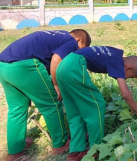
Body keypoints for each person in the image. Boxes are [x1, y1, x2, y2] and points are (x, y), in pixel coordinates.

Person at [0, 29, 91, 161]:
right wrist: (56, 85)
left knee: (17, 110)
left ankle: (15, 151)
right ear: (79, 40)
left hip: (3, 65)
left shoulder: (58, 35)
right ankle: (61, 144)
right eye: (80, 49)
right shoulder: (71, 42)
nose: (77, 53)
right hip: (24, 66)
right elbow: (55, 60)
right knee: (52, 104)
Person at [56, 46, 137, 161]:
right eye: (128, 76)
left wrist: (133, 105)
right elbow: (125, 93)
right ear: (128, 68)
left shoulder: (114, 53)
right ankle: (95, 149)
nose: (125, 79)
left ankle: (76, 150)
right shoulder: (118, 61)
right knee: (97, 105)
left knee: (74, 110)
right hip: (74, 67)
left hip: (63, 65)